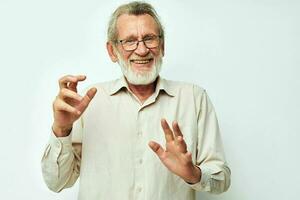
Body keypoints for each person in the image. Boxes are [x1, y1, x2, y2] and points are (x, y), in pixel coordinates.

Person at [41, 1, 231, 200]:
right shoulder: (89, 102)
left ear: (163, 45)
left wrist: (194, 174)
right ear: (112, 51)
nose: (142, 50)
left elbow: (221, 179)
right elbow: (57, 183)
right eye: (130, 41)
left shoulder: (194, 98)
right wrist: (61, 130)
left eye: (149, 39)